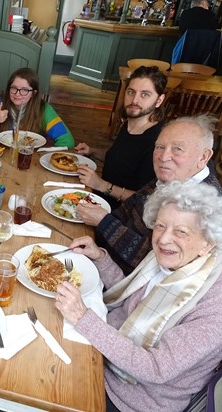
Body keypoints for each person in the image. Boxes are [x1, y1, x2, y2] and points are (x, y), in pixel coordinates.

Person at [57, 180, 222, 412]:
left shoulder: (214, 306)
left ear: (208, 244)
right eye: (161, 226)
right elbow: (130, 301)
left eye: (181, 232)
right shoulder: (171, 260)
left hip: (129, 398)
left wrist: (83, 319)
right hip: (102, 353)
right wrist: (100, 257)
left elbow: (155, 368)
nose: (164, 239)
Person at [78, 114, 222, 274]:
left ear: (203, 157)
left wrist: (105, 223)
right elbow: (127, 209)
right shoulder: (172, 176)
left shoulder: (208, 206)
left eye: (178, 149)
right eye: (159, 147)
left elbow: (156, 261)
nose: (163, 157)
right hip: (102, 257)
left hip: (124, 283)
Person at [75, 66, 167, 208]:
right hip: (97, 199)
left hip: (120, 215)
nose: (134, 100)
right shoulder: (129, 123)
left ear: (159, 100)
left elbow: (145, 200)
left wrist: (102, 185)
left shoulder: (157, 143)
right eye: (131, 92)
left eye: (145, 94)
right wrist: (92, 151)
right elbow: (120, 160)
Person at [0, 67, 75, 148]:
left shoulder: (44, 110)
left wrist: (44, 154)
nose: (17, 94)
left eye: (25, 90)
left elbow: (67, 141)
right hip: (1, 156)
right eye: (14, 88)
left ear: (34, 93)